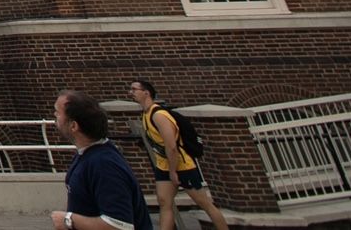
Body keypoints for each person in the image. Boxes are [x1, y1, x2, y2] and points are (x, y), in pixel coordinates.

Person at [130, 79, 230, 230]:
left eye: (134, 89)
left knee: (205, 204)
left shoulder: (159, 115)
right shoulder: (146, 114)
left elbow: (171, 146)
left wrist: (172, 171)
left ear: (146, 92)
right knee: (164, 203)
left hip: (182, 166)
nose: (130, 93)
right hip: (164, 166)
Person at [53, 89, 151, 230]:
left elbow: (120, 224)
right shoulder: (88, 155)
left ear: (74, 126)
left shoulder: (104, 164)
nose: (55, 115)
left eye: (58, 112)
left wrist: (68, 220)